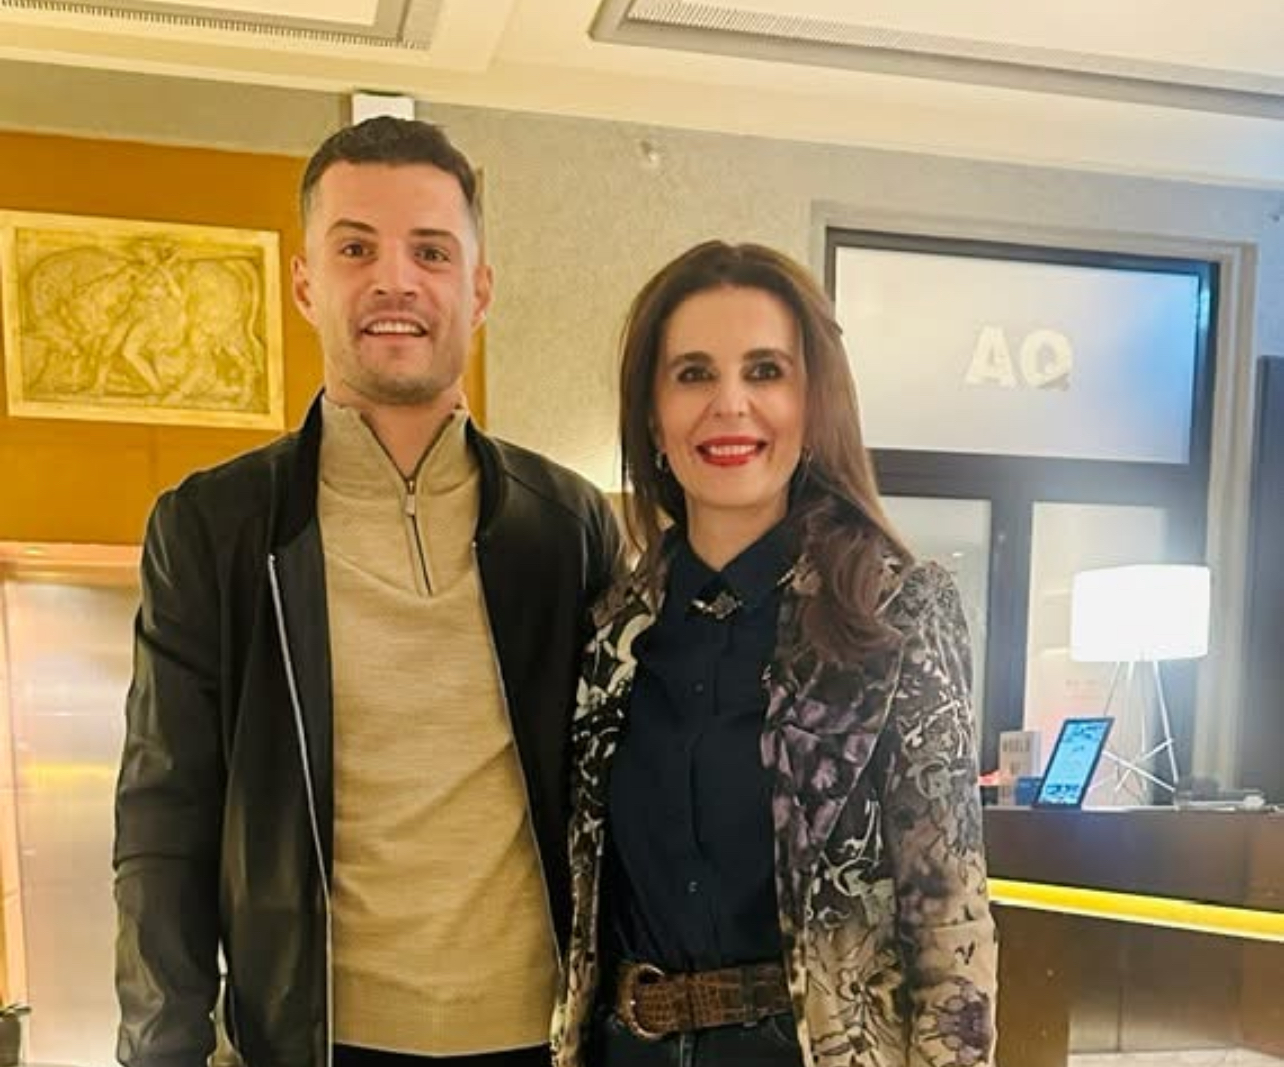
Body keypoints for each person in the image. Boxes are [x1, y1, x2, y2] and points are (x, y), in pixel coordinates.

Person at [114, 116, 621, 1067]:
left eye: (431, 251)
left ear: (479, 289)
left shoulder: (568, 525)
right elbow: (162, 827)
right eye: (356, 248)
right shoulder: (214, 528)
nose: (396, 280)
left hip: (540, 1038)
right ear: (306, 283)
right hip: (315, 1040)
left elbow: (614, 802)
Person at [552, 241, 997, 1066]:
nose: (730, 404)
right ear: (651, 415)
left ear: (813, 403)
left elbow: (950, 923)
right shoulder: (612, 630)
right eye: (693, 374)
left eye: (765, 371)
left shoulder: (896, 613)